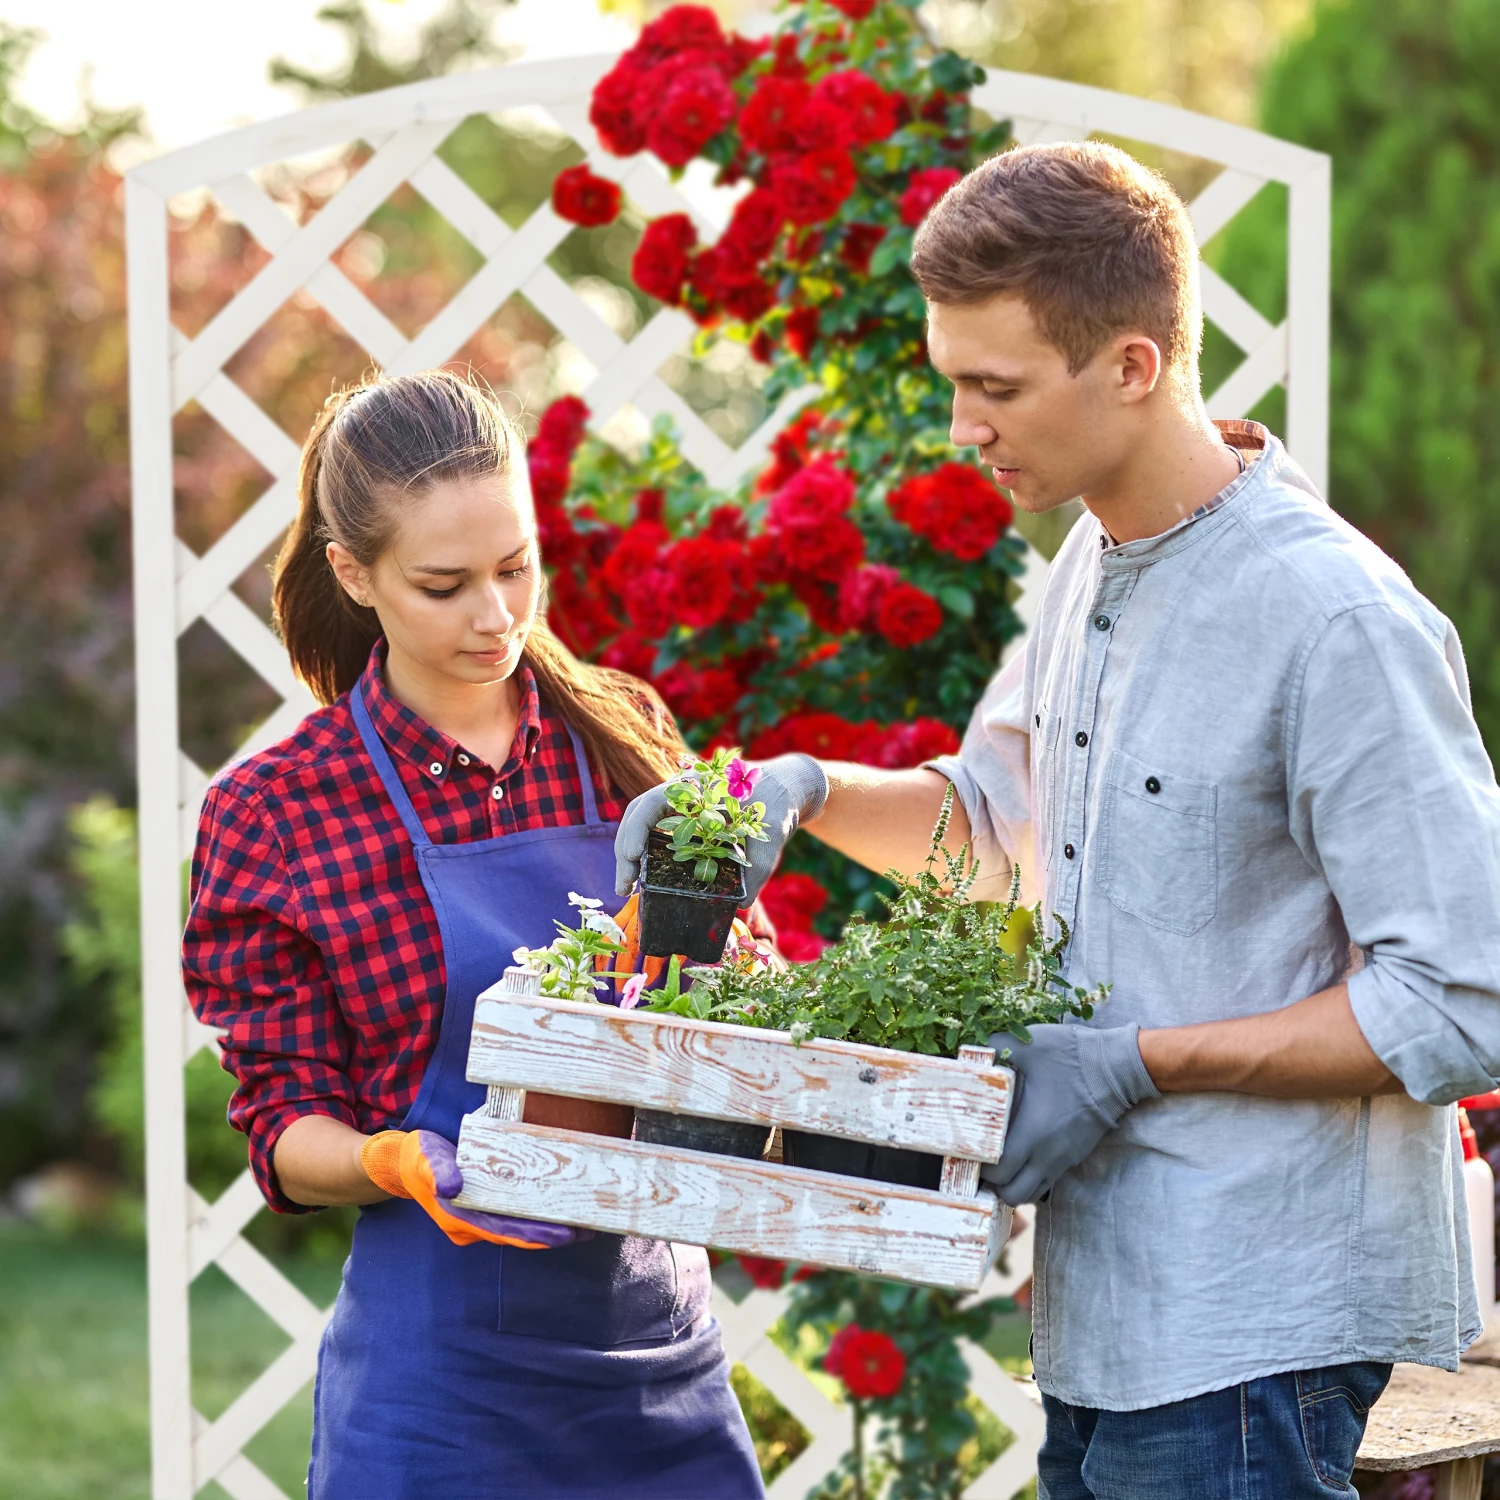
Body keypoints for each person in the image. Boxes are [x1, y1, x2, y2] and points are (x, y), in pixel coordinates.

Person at [615, 142, 1500, 1498]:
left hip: (1253, 1330)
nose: (960, 428)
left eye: (997, 388)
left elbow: (1459, 1000)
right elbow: (1002, 827)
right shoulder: (1092, 558)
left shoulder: (1334, 621)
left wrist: (1133, 1062)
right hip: (1101, 1312)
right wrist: (796, 790)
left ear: (1132, 366)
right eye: (953, 382)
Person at [184, 370, 763, 1500]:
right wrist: (390, 1161)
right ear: (355, 574)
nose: (496, 616)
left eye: (516, 568)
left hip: (661, 1373)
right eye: (444, 586)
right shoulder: (281, 812)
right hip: (440, 1399)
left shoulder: (624, 742)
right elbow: (282, 1125)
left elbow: (751, 984)